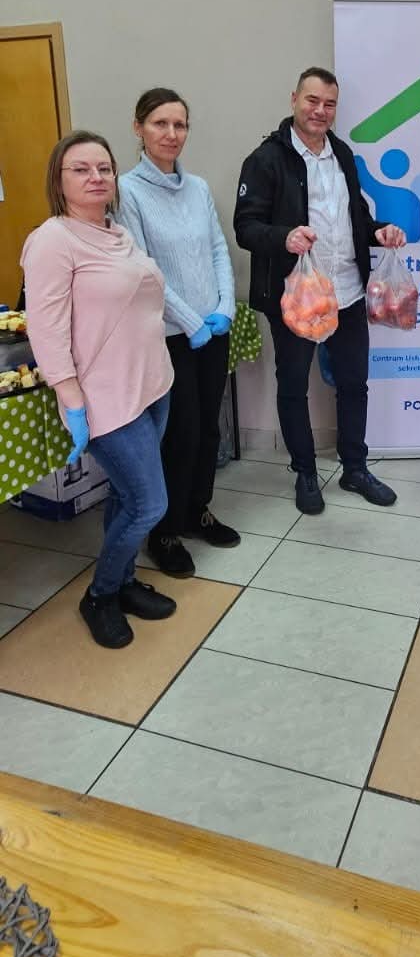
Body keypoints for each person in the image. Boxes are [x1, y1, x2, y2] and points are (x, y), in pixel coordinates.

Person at [22, 131, 176, 649]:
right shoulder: (52, 241)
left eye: (104, 168)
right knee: (149, 504)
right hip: (105, 398)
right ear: (59, 180)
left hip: (152, 385)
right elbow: (45, 330)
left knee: (126, 494)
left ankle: (125, 582)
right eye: (81, 169)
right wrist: (71, 400)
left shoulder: (118, 233)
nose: (96, 177)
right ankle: (101, 594)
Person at [234, 66, 406, 514]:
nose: (320, 111)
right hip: (297, 297)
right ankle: (306, 472)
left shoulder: (342, 154)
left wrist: (379, 231)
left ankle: (355, 468)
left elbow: (355, 219)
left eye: (329, 104)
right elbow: (245, 226)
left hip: (347, 291)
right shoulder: (266, 159)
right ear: (294, 99)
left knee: (354, 383)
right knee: (293, 385)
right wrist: (284, 237)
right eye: (312, 100)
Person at [118, 88, 238, 578]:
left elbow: (217, 250)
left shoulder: (199, 188)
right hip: (169, 336)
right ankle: (164, 531)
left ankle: (196, 510)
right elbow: (143, 270)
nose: (171, 134)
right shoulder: (127, 191)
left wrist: (224, 309)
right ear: (139, 128)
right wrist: (190, 322)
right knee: (180, 434)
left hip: (213, 329)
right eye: (160, 123)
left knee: (209, 427)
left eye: (180, 124)